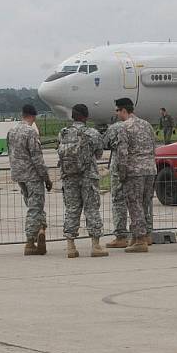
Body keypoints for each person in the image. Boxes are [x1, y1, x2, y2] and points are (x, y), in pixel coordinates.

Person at [57, 104, 108, 258]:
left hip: (69, 177)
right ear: (85, 117)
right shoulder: (92, 133)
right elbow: (99, 154)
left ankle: (71, 246)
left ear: (73, 116)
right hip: (88, 177)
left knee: (72, 209)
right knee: (91, 209)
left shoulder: (63, 133)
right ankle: (95, 245)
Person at [7, 104, 52, 256]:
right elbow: (37, 158)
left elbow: (10, 153)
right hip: (32, 175)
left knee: (34, 205)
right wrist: (46, 178)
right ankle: (30, 241)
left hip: (19, 175)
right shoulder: (30, 132)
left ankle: (41, 229)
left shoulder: (12, 131)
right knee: (35, 208)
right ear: (33, 116)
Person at [114, 98, 157, 252]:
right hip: (150, 169)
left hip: (134, 172)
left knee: (134, 204)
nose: (117, 113)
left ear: (124, 111)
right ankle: (139, 236)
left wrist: (122, 174)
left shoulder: (124, 127)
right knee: (144, 204)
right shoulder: (146, 124)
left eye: (118, 110)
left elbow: (122, 153)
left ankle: (140, 240)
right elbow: (154, 146)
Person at [102, 121, 130, 248]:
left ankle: (121, 236)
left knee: (118, 201)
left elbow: (105, 144)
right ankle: (143, 235)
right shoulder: (142, 125)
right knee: (138, 201)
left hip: (118, 168)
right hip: (136, 167)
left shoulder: (115, 127)